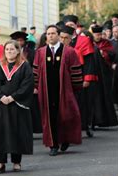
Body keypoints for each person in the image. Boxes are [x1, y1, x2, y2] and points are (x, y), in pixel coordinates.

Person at [33, 25, 83, 156]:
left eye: (53, 33)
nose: (50, 36)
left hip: (65, 90)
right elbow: (36, 72)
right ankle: (53, 145)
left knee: (66, 116)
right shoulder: (40, 52)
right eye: (48, 34)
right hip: (46, 91)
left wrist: (75, 88)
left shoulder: (69, 52)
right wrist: (36, 87)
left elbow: (76, 72)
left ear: (59, 35)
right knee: (49, 118)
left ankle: (66, 139)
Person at [0, 40, 33, 173]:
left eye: (12, 49)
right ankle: (0, 162)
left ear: (18, 51)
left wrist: (13, 97)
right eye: (7, 49)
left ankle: (16, 161)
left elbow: (27, 84)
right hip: (1, 103)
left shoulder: (24, 66)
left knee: (17, 132)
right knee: (0, 133)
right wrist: (1, 96)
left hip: (17, 103)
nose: (9, 51)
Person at [63, 15, 98, 138]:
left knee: (83, 104)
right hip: (66, 78)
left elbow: (89, 61)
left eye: (72, 25)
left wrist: (87, 78)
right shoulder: (61, 40)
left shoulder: (83, 41)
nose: (70, 27)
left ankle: (86, 125)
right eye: (67, 25)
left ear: (76, 26)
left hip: (80, 76)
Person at [11, 31, 42, 134]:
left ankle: (30, 129)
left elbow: (36, 69)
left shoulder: (31, 52)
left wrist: (35, 85)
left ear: (24, 41)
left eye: (21, 40)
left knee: (29, 108)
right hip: (14, 84)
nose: (19, 42)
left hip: (29, 83)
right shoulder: (9, 52)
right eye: (17, 40)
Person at [88, 26, 118, 128]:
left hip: (105, 74)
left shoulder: (106, 43)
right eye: (96, 35)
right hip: (93, 73)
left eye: (99, 34)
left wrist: (103, 53)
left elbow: (112, 54)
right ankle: (95, 121)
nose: (98, 36)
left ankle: (106, 120)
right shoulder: (89, 43)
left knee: (105, 96)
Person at [110, 24, 118, 108]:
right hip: (113, 70)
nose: (114, 34)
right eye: (113, 32)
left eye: (116, 32)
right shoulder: (111, 42)